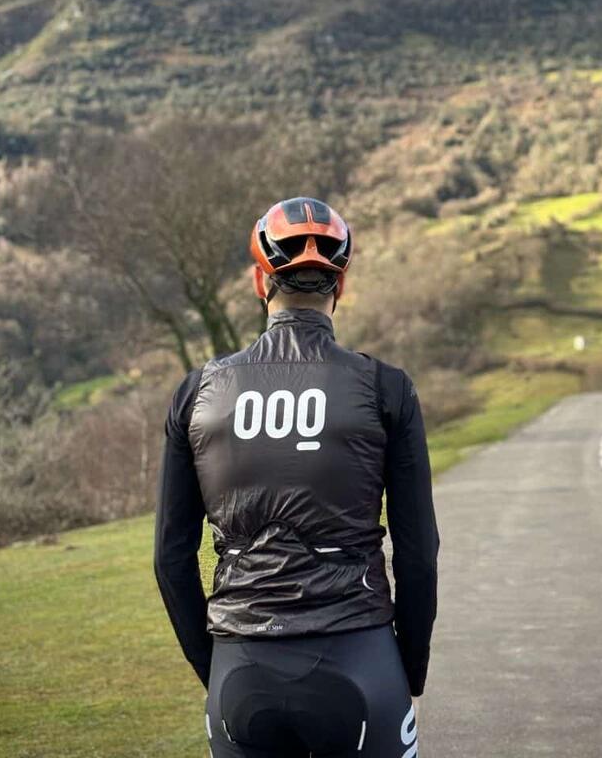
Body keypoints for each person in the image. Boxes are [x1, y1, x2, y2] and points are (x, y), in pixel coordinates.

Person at [153, 196, 440, 757]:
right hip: (361, 659)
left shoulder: (199, 392)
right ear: (341, 285)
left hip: (239, 670)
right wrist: (410, 669)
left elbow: (170, 557)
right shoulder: (386, 389)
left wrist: (210, 666)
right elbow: (418, 551)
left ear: (261, 283)